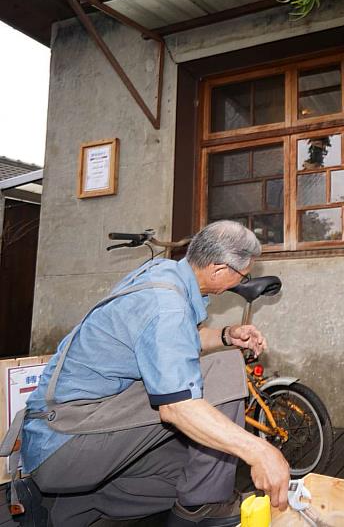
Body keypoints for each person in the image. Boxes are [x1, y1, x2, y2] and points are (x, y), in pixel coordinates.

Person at [18, 220, 290, 527]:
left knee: (194, 471)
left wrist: (227, 334)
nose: (241, 281)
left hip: (64, 443)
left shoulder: (165, 274)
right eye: (243, 275)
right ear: (219, 270)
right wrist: (261, 451)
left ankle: (71, 508)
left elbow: (177, 340)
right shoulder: (166, 305)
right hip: (65, 441)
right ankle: (201, 507)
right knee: (222, 370)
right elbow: (176, 407)